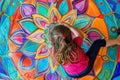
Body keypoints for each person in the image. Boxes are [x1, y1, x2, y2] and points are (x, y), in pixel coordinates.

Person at [50, 24, 120, 78]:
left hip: (70, 74)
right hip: (86, 69)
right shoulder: (75, 44)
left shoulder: (54, 52)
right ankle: (117, 41)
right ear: (70, 36)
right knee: (97, 43)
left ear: (53, 41)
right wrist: (69, 26)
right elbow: (79, 35)